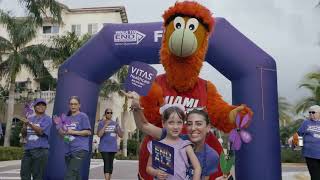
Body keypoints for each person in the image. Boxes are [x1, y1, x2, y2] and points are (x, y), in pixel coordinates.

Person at [124, 91, 220, 180]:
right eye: (190, 123)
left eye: (199, 123)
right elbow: (144, 125)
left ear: (208, 127)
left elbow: (200, 172)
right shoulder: (168, 139)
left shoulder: (209, 155)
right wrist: (136, 104)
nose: (193, 128)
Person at [146, 105, 201, 180]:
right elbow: (148, 168)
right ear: (163, 123)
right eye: (171, 123)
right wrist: (156, 172)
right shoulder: (158, 146)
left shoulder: (185, 145)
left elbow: (197, 167)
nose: (175, 127)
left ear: (183, 124)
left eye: (179, 122)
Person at [56, 96, 92, 180]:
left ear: (79, 105)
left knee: (70, 175)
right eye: (71, 104)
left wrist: (74, 132)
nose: (73, 106)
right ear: (69, 105)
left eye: (75, 104)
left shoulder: (83, 116)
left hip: (79, 149)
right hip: (68, 151)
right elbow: (64, 136)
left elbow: (88, 132)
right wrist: (60, 130)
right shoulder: (66, 118)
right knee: (76, 175)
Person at [20, 98, 52, 180]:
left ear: (45, 107)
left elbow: (41, 132)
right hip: (28, 150)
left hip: (40, 150)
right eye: (38, 104)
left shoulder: (48, 119)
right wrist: (24, 123)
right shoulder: (30, 118)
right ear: (34, 107)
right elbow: (24, 135)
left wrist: (29, 124)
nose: (41, 106)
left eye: (43, 105)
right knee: (24, 174)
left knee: (37, 176)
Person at [290, 105, 320, 180]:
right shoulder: (306, 123)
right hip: (310, 154)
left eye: (313, 112)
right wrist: (292, 138)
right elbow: (298, 133)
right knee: (315, 176)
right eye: (309, 112)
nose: (311, 114)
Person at [97, 108, 123, 180]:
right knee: (106, 163)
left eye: (111, 113)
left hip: (112, 147)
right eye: (108, 113)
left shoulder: (115, 124)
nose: (110, 114)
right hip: (104, 147)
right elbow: (99, 135)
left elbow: (121, 135)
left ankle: (108, 179)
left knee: (110, 164)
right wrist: (105, 125)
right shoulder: (101, 123)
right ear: (105, 114)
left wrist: (118, 126)